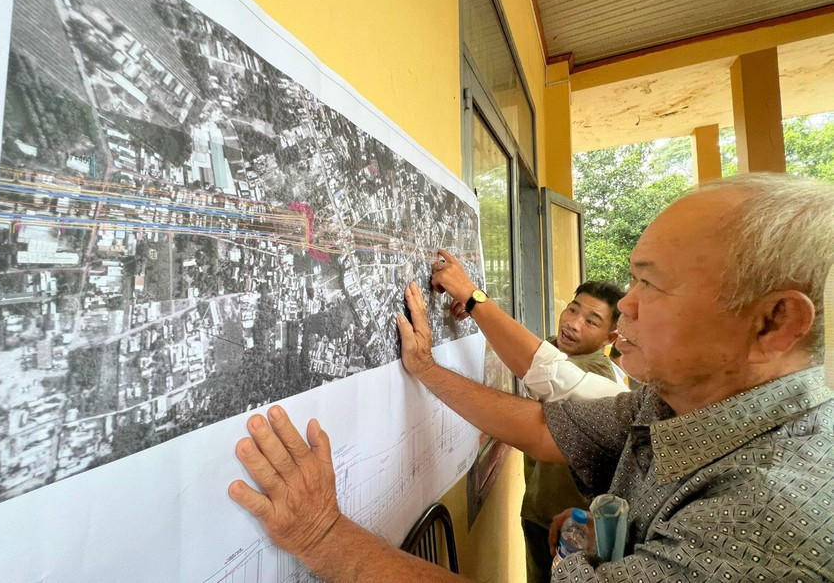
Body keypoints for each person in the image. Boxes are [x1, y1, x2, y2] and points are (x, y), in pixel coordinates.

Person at [228, 173, 834, 582]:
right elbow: (550, 426)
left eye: (652, 284)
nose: (628, 307)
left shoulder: (773, 518)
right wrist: (425, 369)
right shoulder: (679, 401)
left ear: (774, 323)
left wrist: (322, 533)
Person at [519, 281, 624, 583]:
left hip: (571, 523)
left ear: (611, 336)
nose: (573, 324)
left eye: (591, 321)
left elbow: (539, 365)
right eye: (572, 310)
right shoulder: (561, 352)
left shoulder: (594, 378)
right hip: (539, 510)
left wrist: (474, 303)